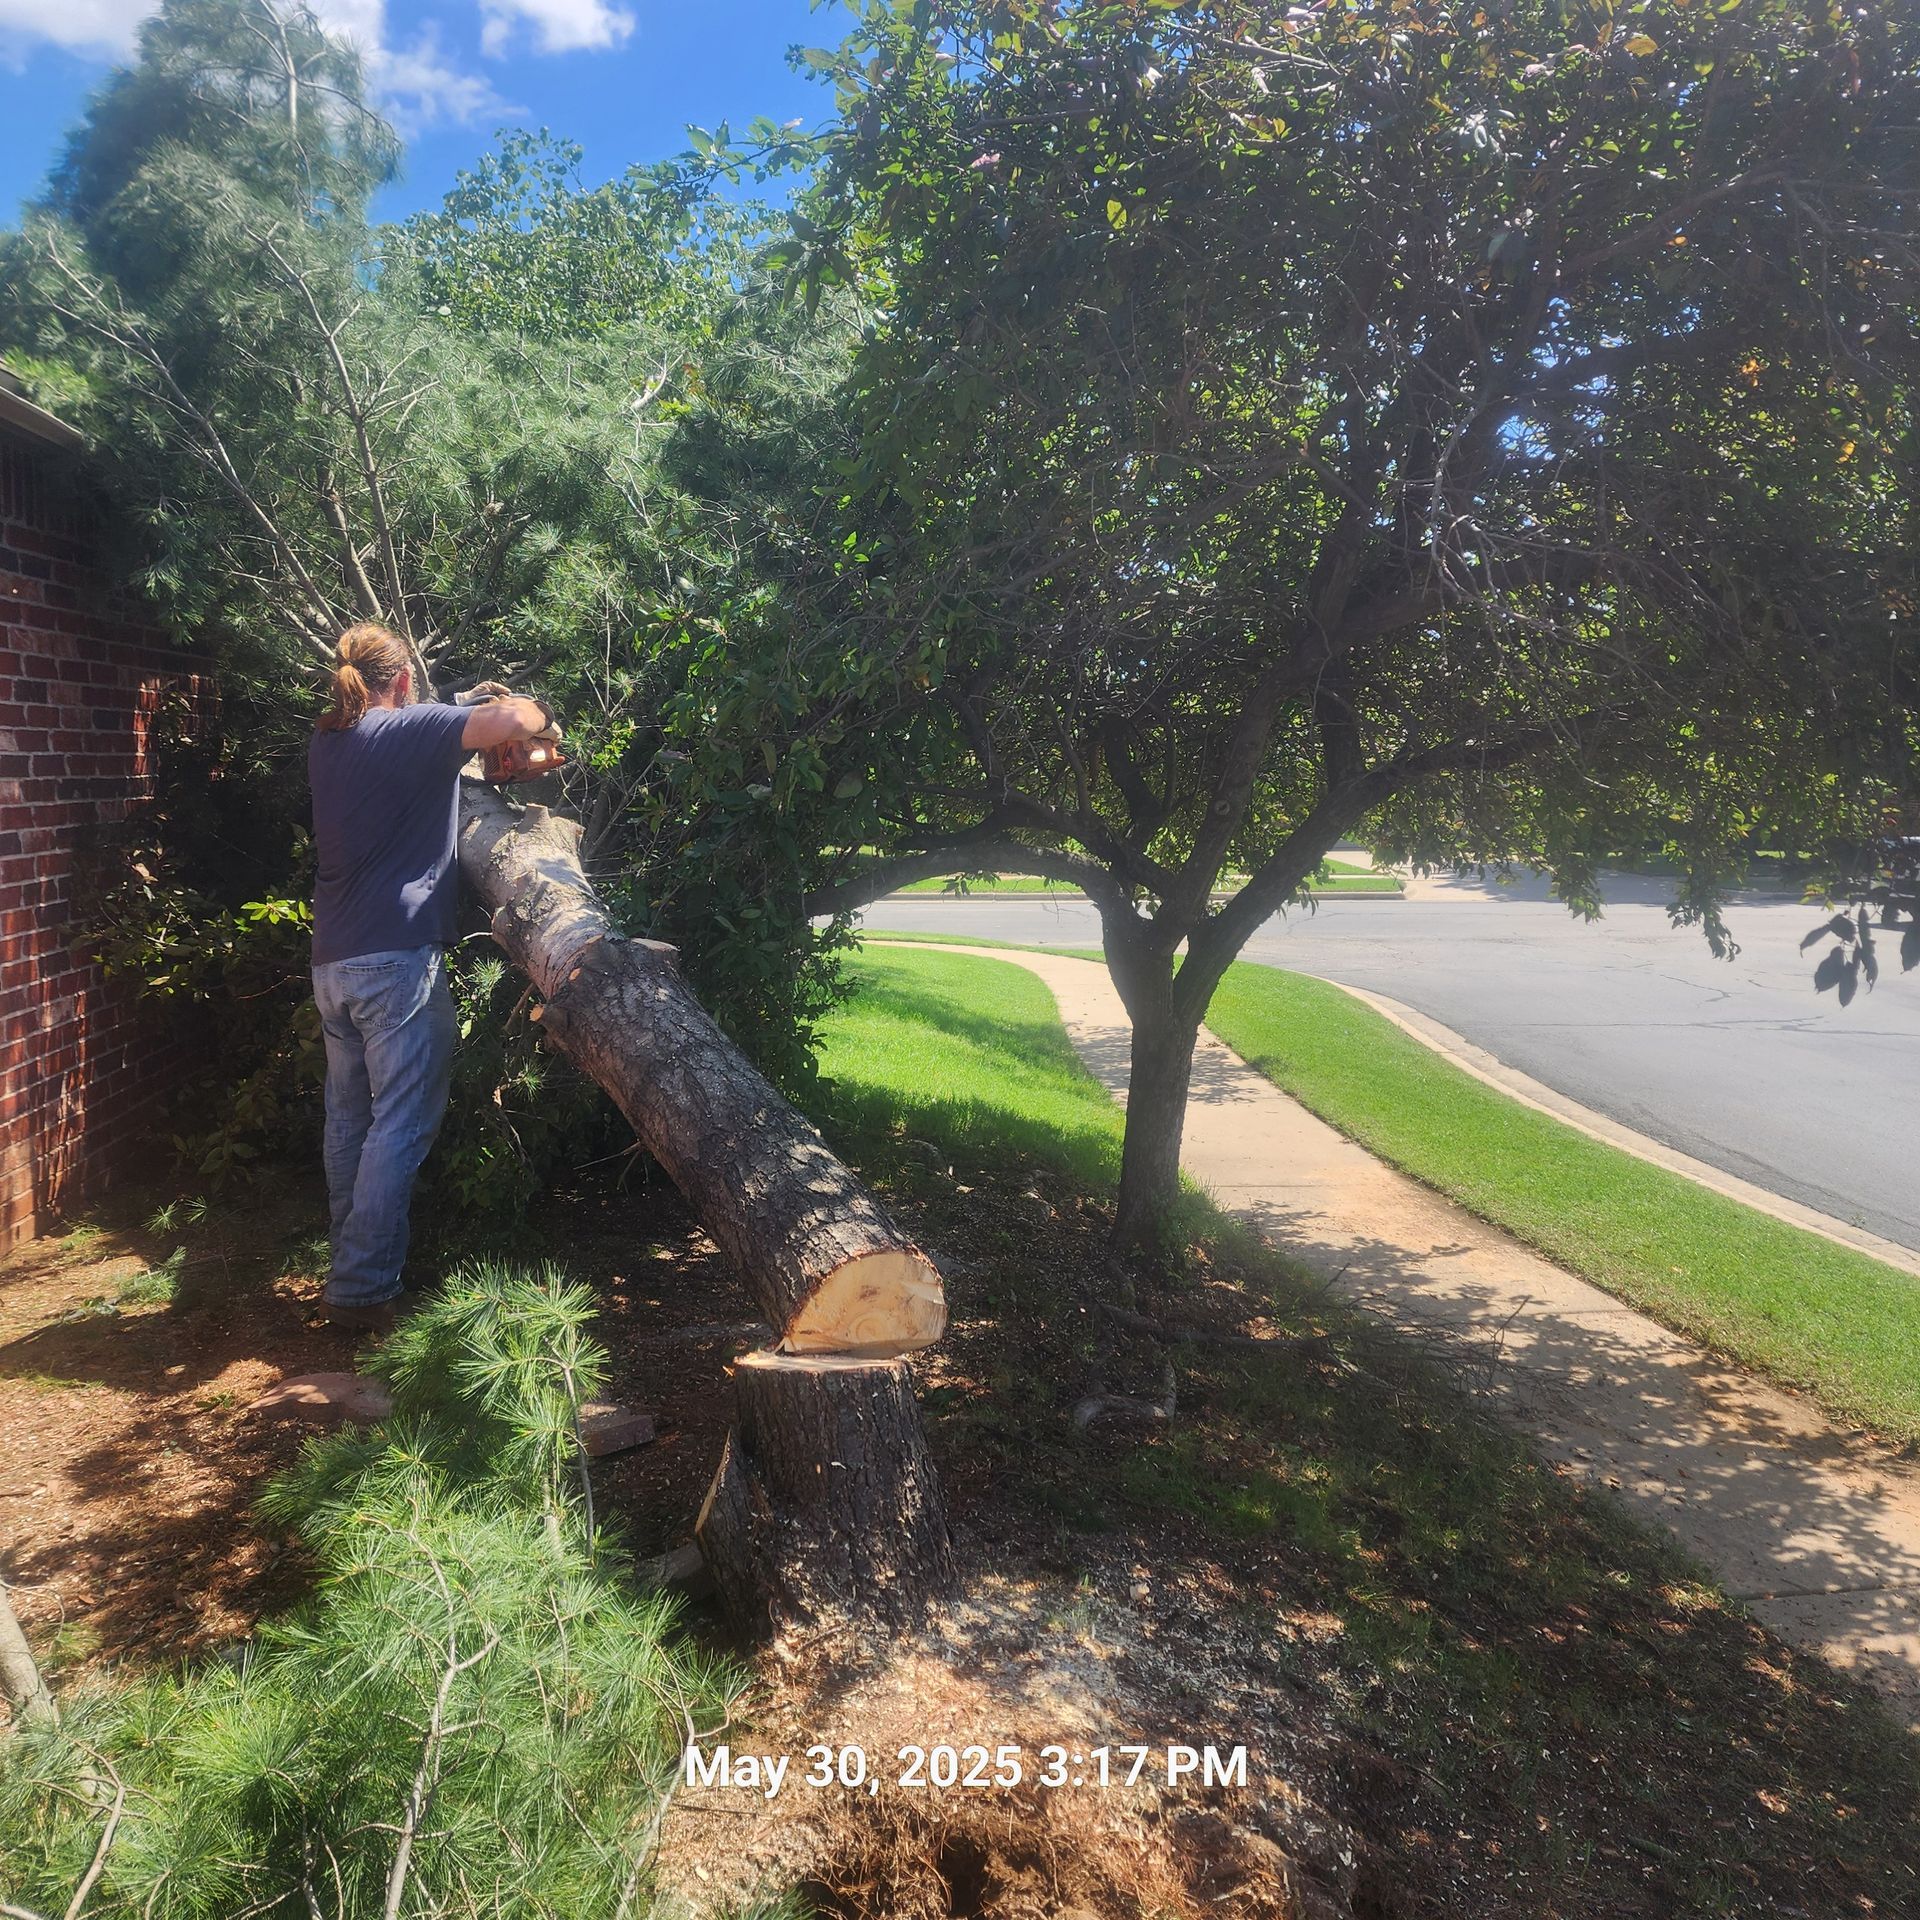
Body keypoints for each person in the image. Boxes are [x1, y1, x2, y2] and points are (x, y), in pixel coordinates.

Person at [307, 623, 553, 1332]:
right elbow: (515, 720)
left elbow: (417, 740)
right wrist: (526, 706)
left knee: (351, 1118)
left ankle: (348, 1266)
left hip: (334, 962)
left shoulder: (329, 741)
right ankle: (362, 1291)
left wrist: (454, 709)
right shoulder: (409, 730)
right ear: (402, 682)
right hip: (397, 958)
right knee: (401, 1123)